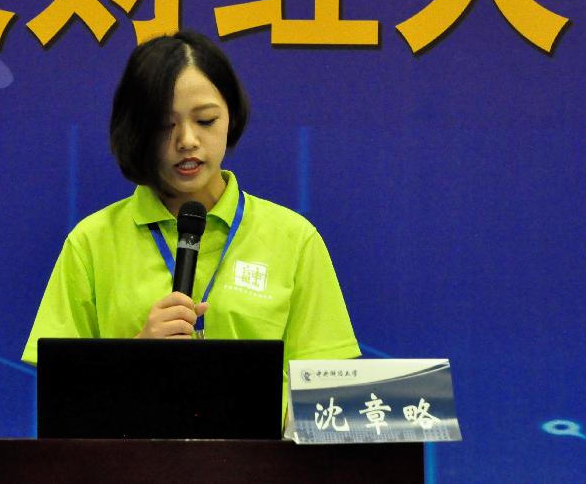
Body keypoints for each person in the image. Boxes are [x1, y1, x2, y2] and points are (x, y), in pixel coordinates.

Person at [21, 30, 360, 403]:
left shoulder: (294, 239)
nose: (187, 140)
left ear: (231, 117)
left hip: (261, 443)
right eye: (165, 125)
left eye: (206, 120)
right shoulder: (91, 242)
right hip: (131, 443)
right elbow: (60, 396)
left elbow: (328, 397)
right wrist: (136, 355)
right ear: (136, 130)